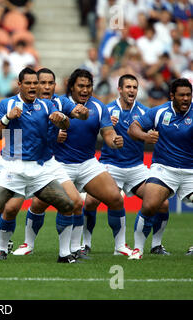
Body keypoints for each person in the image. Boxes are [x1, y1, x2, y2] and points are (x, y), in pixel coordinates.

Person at [0, 67, 75, 263]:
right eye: (29, 83)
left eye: (36, 83)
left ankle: (64, 254)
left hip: (40, 169)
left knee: (67, 204)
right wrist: (8, 118)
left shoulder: (47, 105)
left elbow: (65, 126)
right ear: (20, 84)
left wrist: (63, 120)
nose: (33, 86)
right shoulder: (7, 104)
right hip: (12, 167)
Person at [82, 74, 171, 255]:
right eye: (128, 87)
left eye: (134, 87)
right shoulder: (106, 110)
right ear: (120, 89)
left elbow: (158, 132)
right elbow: (91, 132)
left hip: (136, 167)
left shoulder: (145, 112)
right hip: (110, 166)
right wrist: (104, 126)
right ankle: (86, 243)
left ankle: (156, 245)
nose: (132, 90)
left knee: (162, 204)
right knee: (91, 201)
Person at [9, 67, 90, 259]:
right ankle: (25, 244)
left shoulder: (60, 102)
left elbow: (80, 116)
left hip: (54, 163)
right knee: (28, 206)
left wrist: (81, 113)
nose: (46, 87)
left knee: (76, 202)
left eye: (49, 83)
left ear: (55, 85)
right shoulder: (22, 105)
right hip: (30, 163)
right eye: (41, 82)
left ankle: (74, 248)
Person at [51, 68, 132, 257]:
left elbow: (108, 132)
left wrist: (114, 140)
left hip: (88, 163)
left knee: (115, 198)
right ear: (72, 87)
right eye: (81, 86)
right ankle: (28, 244)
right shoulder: (60, 103)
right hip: (60, 164)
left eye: (88, 86)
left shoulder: (99, 107)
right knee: (41, 204)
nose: (85, 90)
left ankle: (119, 246)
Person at [128, 77, 193, 260]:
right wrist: (144, 136)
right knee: (149, 206)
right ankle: (138, 249)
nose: (186, 99)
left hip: (190, 170)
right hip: (164, 168)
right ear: (172, 96)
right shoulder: (159, 112)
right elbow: (133, 128)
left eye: (189, 95)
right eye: (182, 95)